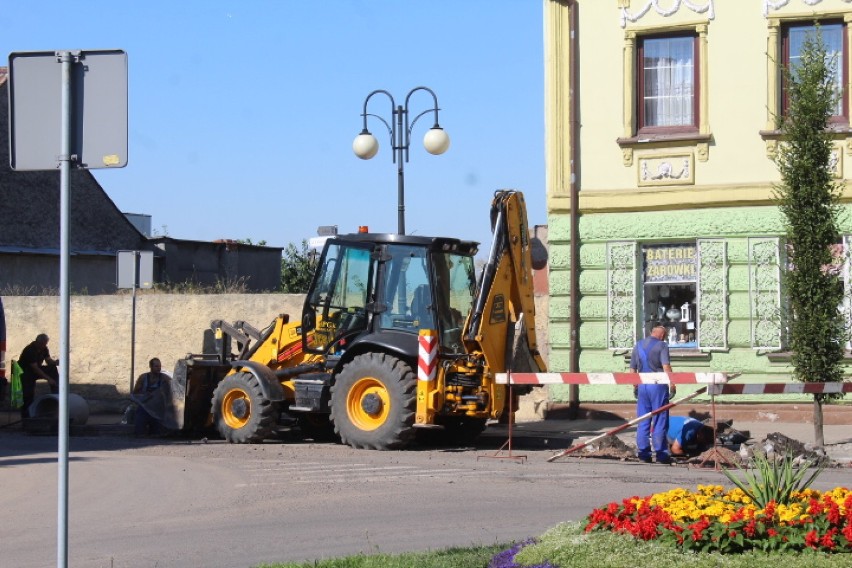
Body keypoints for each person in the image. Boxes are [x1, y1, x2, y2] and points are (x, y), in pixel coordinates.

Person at [630, 325, 673, 464]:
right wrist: (672, 383)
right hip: (658, 385)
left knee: (643, 419)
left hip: (642, 385)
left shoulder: (638, 345)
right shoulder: (662, 345)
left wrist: (635, 385)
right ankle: (661, 454)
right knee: (660, 418)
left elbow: (632, 369)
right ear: (662, 335)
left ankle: (643, 453)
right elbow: (666, 366)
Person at [18, 333, 59, 420]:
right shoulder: (30, 350)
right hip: (26, 373)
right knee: (28, 395)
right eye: (43, 344)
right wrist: (49, 379)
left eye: (45, 344)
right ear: (38, 342)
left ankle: (57, 393)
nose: (44, 346)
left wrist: (55, 362)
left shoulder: (44, 348)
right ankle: (26, 418)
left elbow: (48, 360)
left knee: (52, 369)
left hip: (35, 370)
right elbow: (35, 368)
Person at [132, 358, 169, 436]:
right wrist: (145, 395)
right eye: (156, 366)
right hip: (145, 407)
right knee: (139, 432)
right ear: (150, 367)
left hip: (158, 409)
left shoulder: (165, 378)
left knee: (158, 434)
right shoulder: (143, 377)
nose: (159, 368)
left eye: (159, 366)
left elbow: (171, 392)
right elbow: (135, 393)